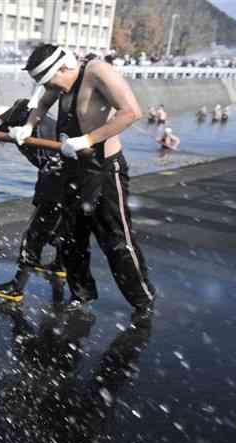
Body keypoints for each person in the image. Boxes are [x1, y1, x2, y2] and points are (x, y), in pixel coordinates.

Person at [9, 44, 155, 314]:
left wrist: (87, 139)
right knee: (71, 238)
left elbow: (131, 112)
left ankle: (142, 301)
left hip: (104, 170)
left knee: (116, 240)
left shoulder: (98, 72)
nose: (51, 87)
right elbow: (41, 103)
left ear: (64, 67)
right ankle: (82, 294)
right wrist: (28, 126)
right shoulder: (60, 81)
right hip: (74, 169)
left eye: (50, 81)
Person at [0, 99, 78, 302]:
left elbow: (22, 103)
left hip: (57, 179)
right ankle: (59, 266)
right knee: (61, 228)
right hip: (69, 179)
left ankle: (16, 288)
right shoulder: (34, 121)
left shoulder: (28, 123)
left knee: (34, 235)